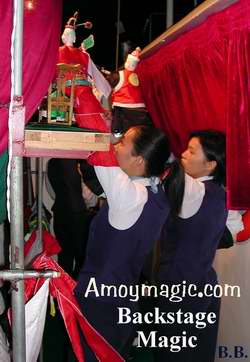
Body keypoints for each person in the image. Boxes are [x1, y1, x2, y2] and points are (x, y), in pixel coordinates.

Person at [74, 125, 213, 361]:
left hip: (101, 304)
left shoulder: (128, 197)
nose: (116, 147)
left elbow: (98, 145)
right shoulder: (157, 191)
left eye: (122, 143)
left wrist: (84, 92)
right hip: (124, 300)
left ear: (139, 160)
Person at [153, 130, 229, 362]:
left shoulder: (195, 191)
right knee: (200, 352)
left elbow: (162, 159)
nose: (183, 154)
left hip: (180, 287)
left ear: (210, 164)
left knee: (173, 353)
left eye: (191, 151)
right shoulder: (221, 193)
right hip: (205, 283)